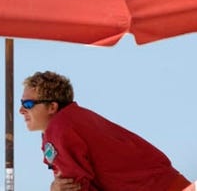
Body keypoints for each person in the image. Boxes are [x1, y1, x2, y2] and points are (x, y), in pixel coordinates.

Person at [19, 70, 194, 191]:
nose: (21, 111)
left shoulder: (60, 127)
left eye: (28, 104)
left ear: (52, 107)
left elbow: (74, 186)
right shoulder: (77, 119)